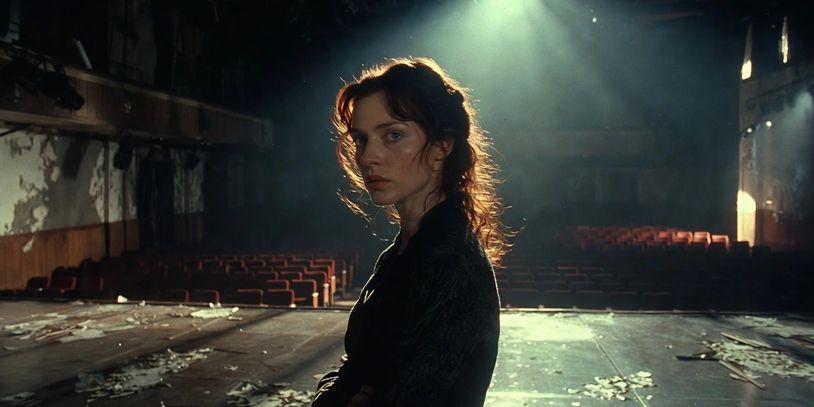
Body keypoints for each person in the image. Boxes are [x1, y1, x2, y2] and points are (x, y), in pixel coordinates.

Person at [312, 57, 510, 407]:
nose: (368, 157)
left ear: (442, 146)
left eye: (393, 135)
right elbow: (355, 369)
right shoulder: (402, 251)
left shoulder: (451, 265)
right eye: (361, 140)